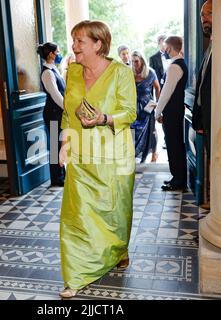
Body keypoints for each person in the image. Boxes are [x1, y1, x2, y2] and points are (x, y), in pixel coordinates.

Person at [58, 20, 137, 298]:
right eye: (73, 40)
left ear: (98, 44)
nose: (74, 46)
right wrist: (64, 144)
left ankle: (119, 249)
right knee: (76, 216)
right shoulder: (73, 72)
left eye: (80, 41)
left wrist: (104, 118)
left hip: (114, 156)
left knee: (114, 213)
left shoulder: (121, 73)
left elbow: (130, 113)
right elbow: (68, 113)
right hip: (80, 155)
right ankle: (76, 275)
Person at [153, 36, 188, 191]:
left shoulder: (174, 67)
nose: (164, 51)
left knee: (174, 145)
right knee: (174, 144)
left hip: (172, 112)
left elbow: (166, 93)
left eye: (166, 48)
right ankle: (176, 177)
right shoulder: (177, 64)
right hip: (174, 111)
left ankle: (179, 181)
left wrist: (157, 112)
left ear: (172, 48)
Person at [37, 42, 66, 187]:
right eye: (57, 52)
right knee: (55, 144)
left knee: (60, 143)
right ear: (50, 54)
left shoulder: (54, 69)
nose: (59, 54)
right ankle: (56, 178)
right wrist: (68, 108)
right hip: (53, 113)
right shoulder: (47, 73)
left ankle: (62, 174)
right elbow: (55, 95)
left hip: (58, 112)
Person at [130, 51, 161, 163]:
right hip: (134, 106)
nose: (134, 64)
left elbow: (157, 88)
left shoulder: (150, 72)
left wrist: (158, 104)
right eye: (132, 61)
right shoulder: (129, 73)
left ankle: (154, 153)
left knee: (151, 131)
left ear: (142, 60)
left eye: (136, 61)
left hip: (148, 106)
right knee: (133, 130)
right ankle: (135, 153)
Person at [192, 0, 213, 157]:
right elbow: (202, 87)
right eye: (202, 15)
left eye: (210, 13)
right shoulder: (210, 47)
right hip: (206, 120)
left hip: (219, 120)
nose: (204, 19)